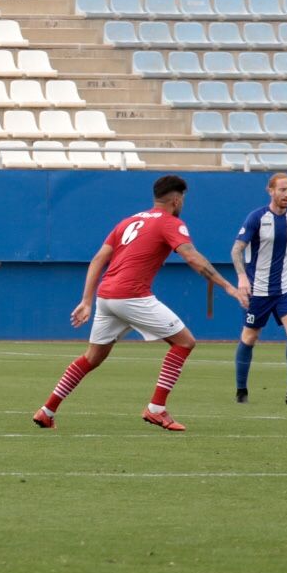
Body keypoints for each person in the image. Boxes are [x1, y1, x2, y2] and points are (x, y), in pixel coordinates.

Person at [32, 174, 247, 432]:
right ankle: (156, 409)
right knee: (184, 342)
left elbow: (99, 259)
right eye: (183, 199)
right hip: (131, 296)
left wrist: (87, 300)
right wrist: (228, 287)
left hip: (106, 297)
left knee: (92, 357)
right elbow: (191, 257)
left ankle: (47, 411)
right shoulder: (170, 222)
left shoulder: (129, 221)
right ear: (177, 200)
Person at [230, 171, 287, 405]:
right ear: (271, 190)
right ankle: (241, 391)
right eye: (282, 189)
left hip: (285, 288)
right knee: (250, 336)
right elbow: (236, 249)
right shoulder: (256, 218)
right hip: (258, 290)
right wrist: (242, 278)